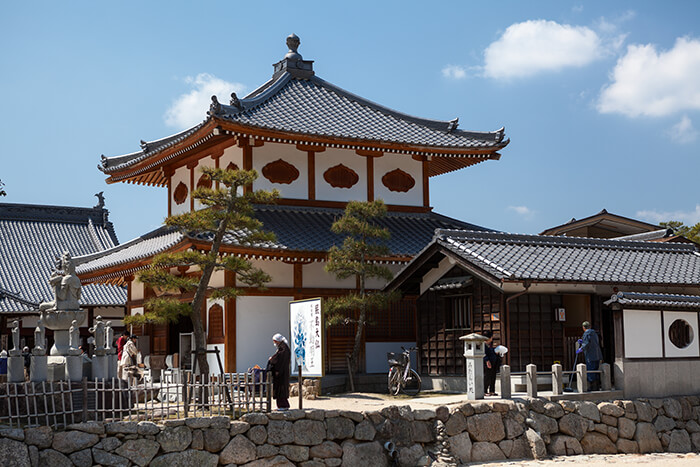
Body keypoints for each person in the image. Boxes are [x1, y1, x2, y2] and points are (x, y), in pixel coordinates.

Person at [266, 333, 291, 410]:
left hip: (281, 372)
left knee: (281, 389)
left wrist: (271, 359)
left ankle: (282, 406)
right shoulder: (283, 347)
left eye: (275, 341)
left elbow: (278, 359)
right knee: (280, 389)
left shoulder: (283, 348)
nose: (274, 343)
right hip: (282, 372)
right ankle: (283, 405)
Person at [577, 321, 603, 391]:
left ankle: (592, 387)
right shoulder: (595, 333)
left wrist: (581, 349)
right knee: (596, 370)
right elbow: (592, 342)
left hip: (590, 355)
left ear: (583, 327)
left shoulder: (586, 333)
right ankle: (597, 387)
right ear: (589, 326)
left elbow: (586, 344)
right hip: (597, 355)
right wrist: (582, 342)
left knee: (590, 371)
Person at [482, 330, 501, 396]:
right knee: (487, 376)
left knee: (493, 376)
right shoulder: (483, 344)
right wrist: (487, 361)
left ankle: (492, 390)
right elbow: (484, 353)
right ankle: (484, 391)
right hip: (487, 362)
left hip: (494, 361)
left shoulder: (491, 344)